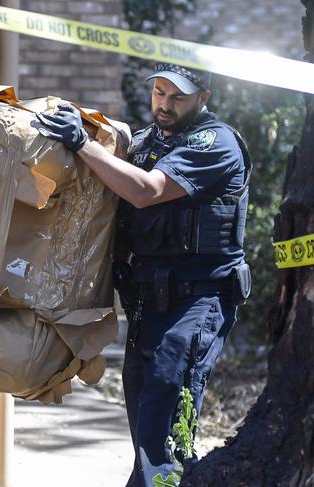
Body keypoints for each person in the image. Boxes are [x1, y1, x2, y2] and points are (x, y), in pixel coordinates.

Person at [36, 63, 252, 486]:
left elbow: (146, 190)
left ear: (203, 98)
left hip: (197, 303)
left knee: (164, 424)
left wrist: (83, 143)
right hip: (148, 303)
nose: (164, 105)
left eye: (178, 97)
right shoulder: (148, 140)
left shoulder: (215, 142)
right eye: (159, 93)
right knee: (144, 423)